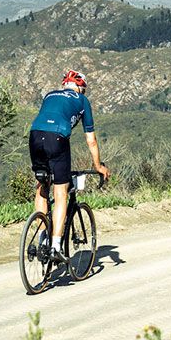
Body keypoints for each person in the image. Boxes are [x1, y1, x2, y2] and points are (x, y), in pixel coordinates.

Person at [29, 70, 110, 261]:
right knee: (60, 192)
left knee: (42, 184)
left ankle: (43, 239)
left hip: (34, 136)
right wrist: (98, 165)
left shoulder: (49, 94)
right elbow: (91, 140)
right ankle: (55, 245)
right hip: (57, 138)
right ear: (81, 87)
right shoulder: (82, 101)